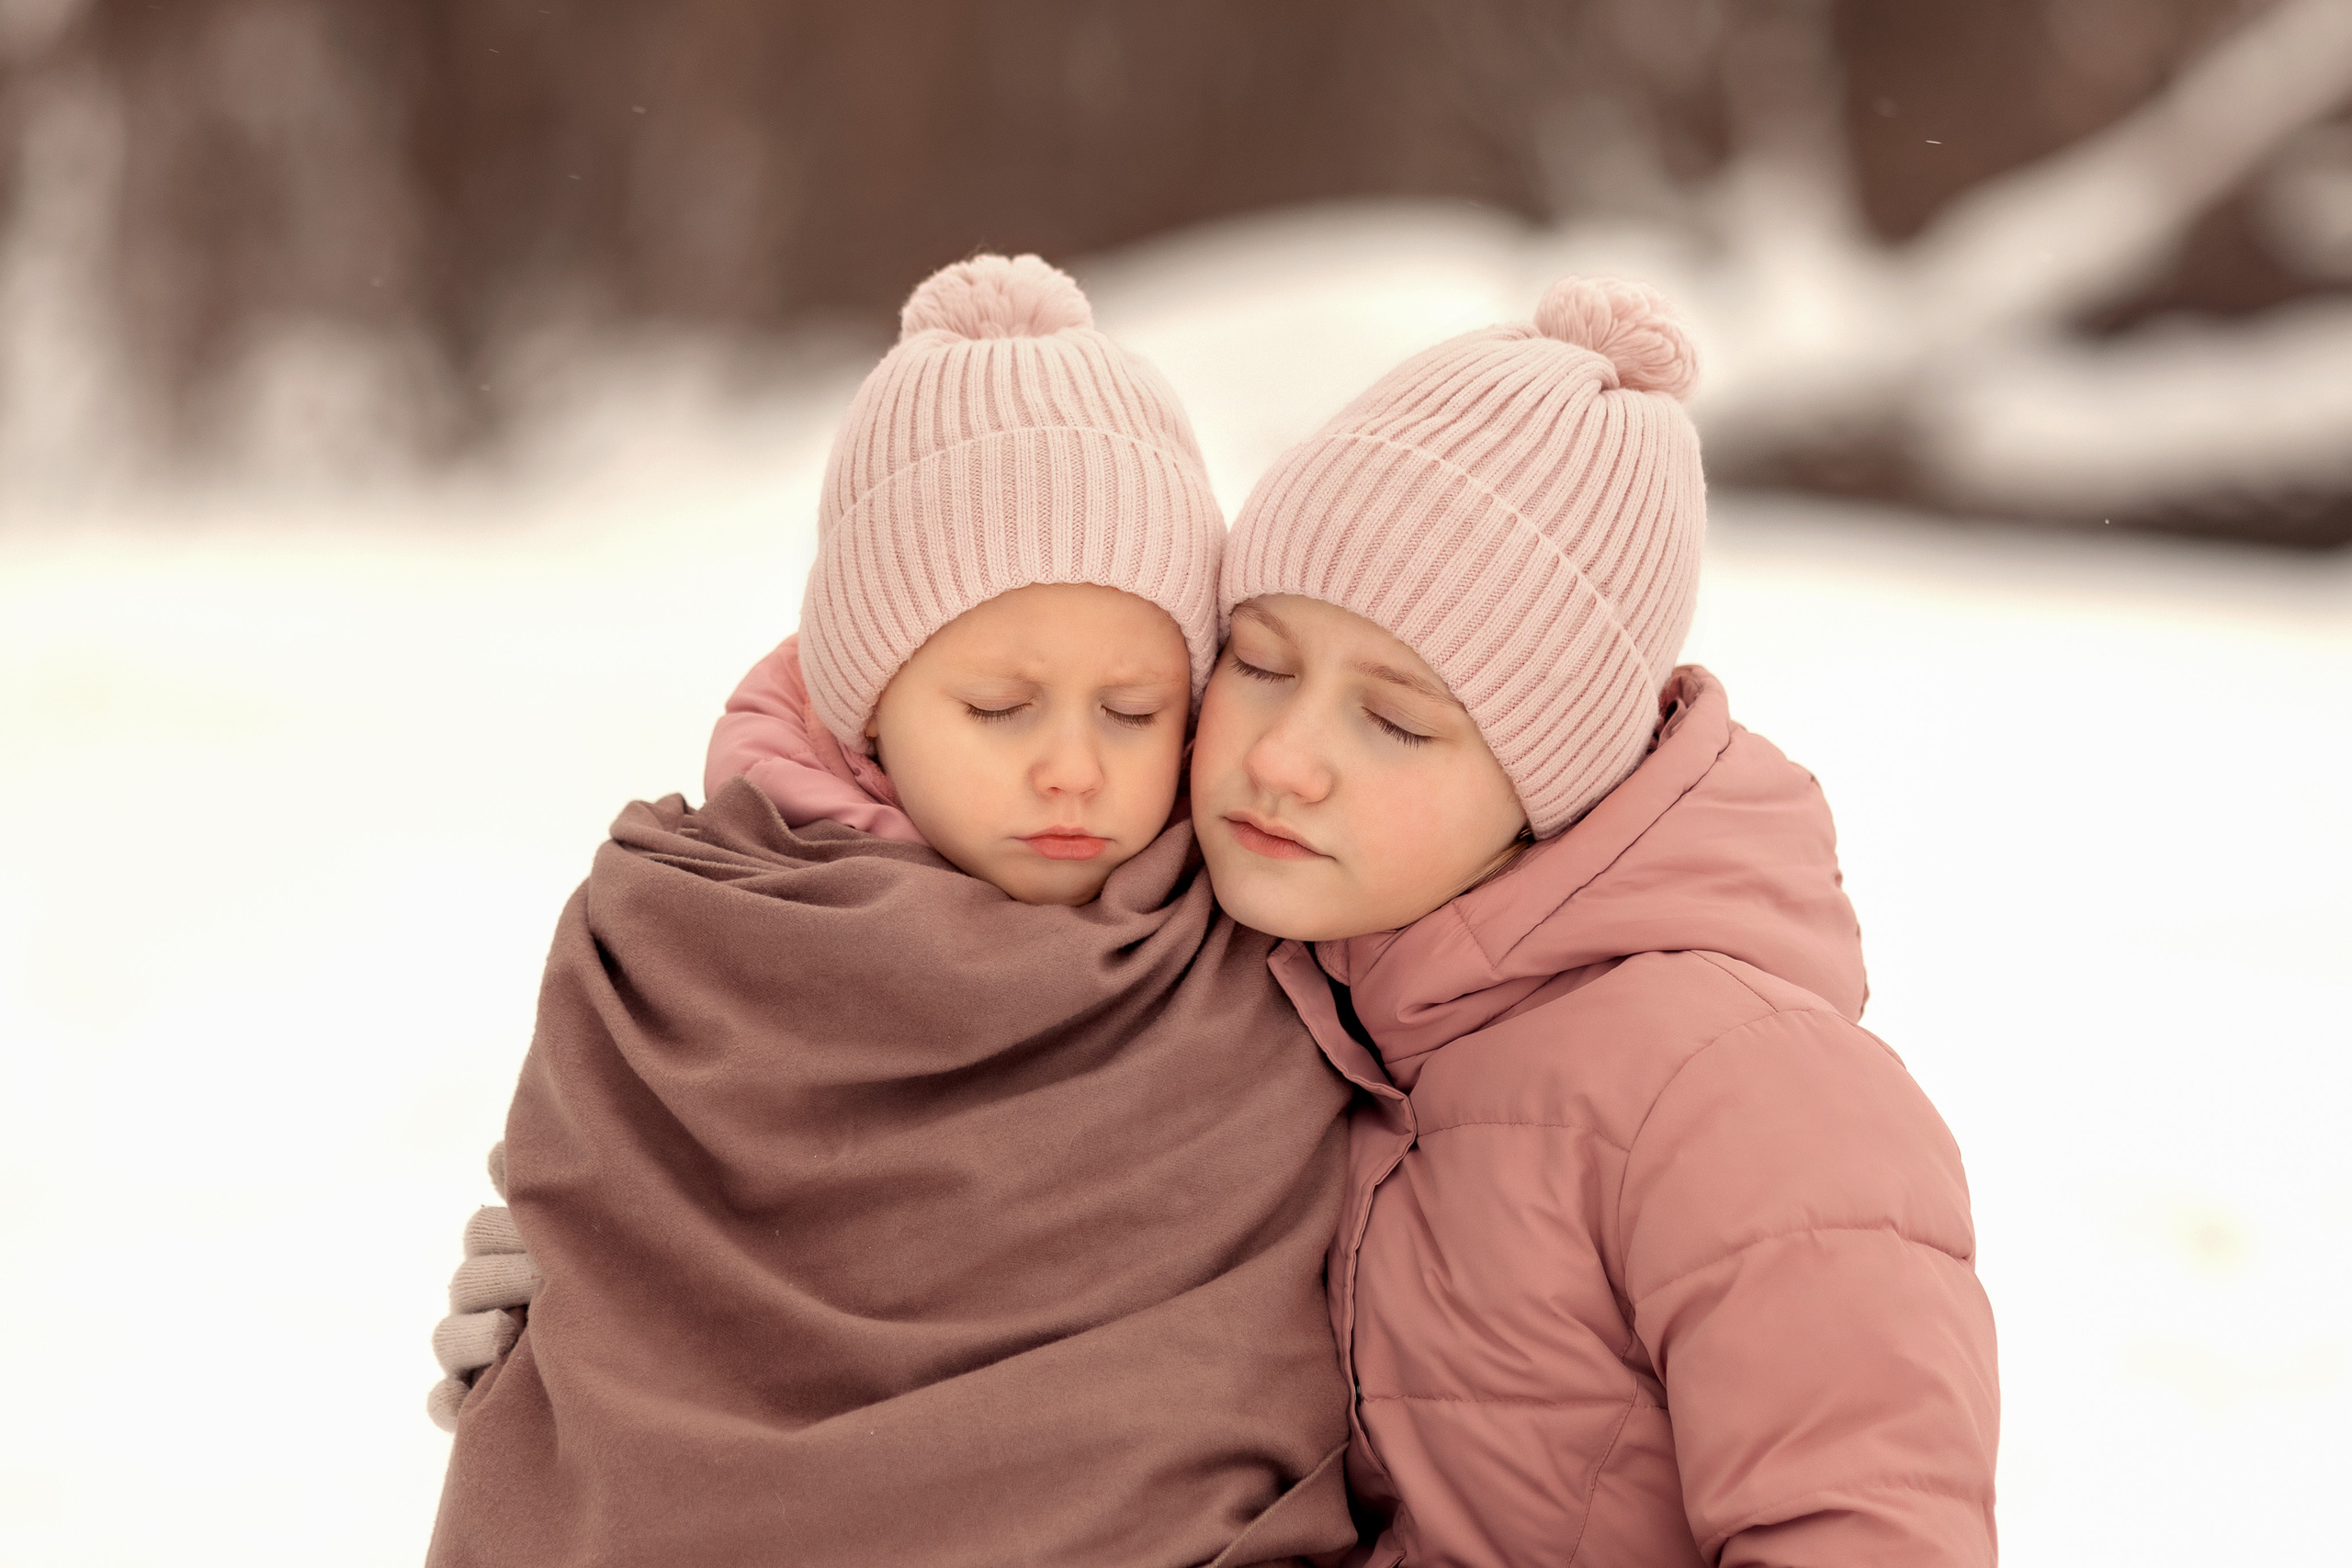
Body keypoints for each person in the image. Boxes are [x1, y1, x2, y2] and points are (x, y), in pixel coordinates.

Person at [424, 254, 1357, 1568]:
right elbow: (624, 1313)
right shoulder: (691, 948)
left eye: (1135, 709)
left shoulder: (1262, 943)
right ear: (868, 710)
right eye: (998, 708)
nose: (1073, 767)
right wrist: (582, 1301)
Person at [1188, 274, 2000, 1565]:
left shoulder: (1734, 1085)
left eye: (1395, 720)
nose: (1283, 757)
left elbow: (1867, 1531)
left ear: (1549, 774)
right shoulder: (1301, 1005)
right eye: (1260, 661)